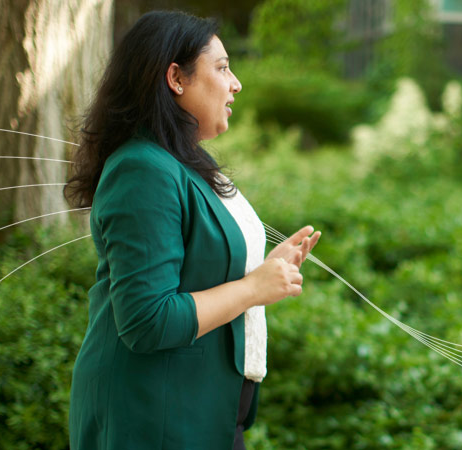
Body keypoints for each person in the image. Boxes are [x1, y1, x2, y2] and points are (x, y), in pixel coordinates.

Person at [64, 10, 321, 450]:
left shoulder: (180, 163)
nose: (235, 83)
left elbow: (197, 271)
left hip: (200, 417)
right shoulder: (142, 169)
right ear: (176, 79)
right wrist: (253, 288)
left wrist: (261, 270)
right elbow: (147, 320)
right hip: (151, 421)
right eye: (221, 68)